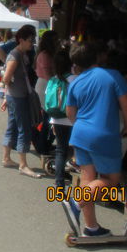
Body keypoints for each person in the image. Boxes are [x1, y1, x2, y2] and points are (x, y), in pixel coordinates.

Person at [63, 42, 127, 238]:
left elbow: (70, 112)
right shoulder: (112, 76)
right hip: (104, 134)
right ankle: (75, 203)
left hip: (80, 133)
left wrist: (81, 126)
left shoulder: (76, 81)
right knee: (111, 180)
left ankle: (92, 228)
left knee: (87, 180)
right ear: (97, 57)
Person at [0, 25, 41, 179]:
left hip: (15, 96)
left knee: (13, 126)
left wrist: (7, 95)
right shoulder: (16, 55)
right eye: (31, 40)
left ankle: (6, 158)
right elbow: (6, 78)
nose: (32, 42)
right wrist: (9, 91)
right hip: (18, 97)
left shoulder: (21, 54)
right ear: (22, 40)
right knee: (24, 128)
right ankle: (23, 165)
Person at [47, 50, 76, 188]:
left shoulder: (53, 79)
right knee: (75, 148)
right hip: (72, 119)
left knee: (60, 149)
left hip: (56, 119)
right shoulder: (74, 79)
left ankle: (59, 183)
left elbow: (49, 100)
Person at [34, 30, 59, 107]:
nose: (58, 42)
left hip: (47, 84)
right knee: (47, 111)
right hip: (45, 85)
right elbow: (48, 75)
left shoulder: (49, 53)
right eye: (56, 40)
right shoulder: (45, 55)